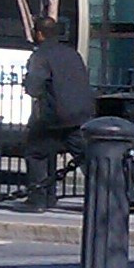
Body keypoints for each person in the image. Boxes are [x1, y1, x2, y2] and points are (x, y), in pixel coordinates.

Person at [21, 15, 96, 211]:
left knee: (36, 153)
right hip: (80, 114)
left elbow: (34, 87)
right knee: (85, 158)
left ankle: (38, 198)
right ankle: (102, 197)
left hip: (53, 116)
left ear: (39, 34)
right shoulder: (72, 53)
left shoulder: (41, 56)